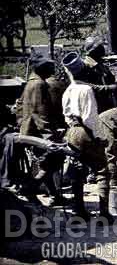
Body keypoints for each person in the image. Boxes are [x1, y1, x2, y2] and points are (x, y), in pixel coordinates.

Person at [61, 51, 112, 222]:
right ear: (83, 71)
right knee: (102, 170)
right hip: (85, 131)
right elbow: (90, 118)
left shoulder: (67, 90)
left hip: (72, 132)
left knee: (77, 172)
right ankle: (104, 214)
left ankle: (79, 212)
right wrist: (100, 137)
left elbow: (66, 116)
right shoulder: (86, 89)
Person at [18, 54, 64, 205]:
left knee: (45, 164)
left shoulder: (31, 83)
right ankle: (29, 188)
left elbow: (20, 106)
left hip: (30, 131)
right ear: (42, 68)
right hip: (38, 133)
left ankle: (54, 195)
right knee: (53, 161)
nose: (53, 69)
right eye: (49, 66)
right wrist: (49, 136)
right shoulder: (39, 85)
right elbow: (40, 113)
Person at [81, 36, 117, 113]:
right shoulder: (85, 66)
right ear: (93, 51)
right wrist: (108, 88)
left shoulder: (100, 64)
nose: (102, 49)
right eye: (99, 47)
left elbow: (110, 79)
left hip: (106, 102)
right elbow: (87, 87)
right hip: (94, 105)